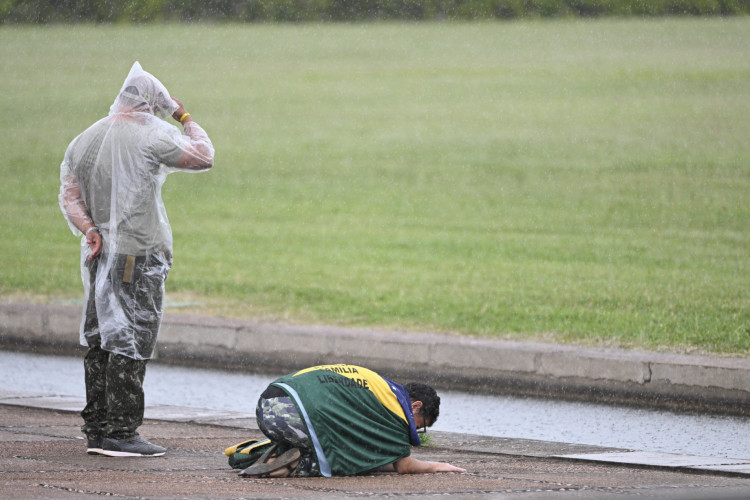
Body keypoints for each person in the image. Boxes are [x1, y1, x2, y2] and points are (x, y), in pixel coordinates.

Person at [58, 61, 215, 457]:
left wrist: (89, 230)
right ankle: (123, 431)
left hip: (99, 253)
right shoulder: (151, 136)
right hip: (137, 255)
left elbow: (69, 195)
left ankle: (96, 425)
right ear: (152, 103)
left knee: (99, 337)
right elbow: (204, 156)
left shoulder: (84, 139)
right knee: (131, 336)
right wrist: (184, 115)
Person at [241, 364, 466, 477]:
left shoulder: (380, 386)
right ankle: (292, 465)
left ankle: (285, 448)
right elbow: (404, 465)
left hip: (267, 405)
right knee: (344, 459)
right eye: (420, 425)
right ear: (415, 406)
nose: (415, 432)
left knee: (346, 438)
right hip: (293, 413)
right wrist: (438, 466)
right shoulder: (396, 409)